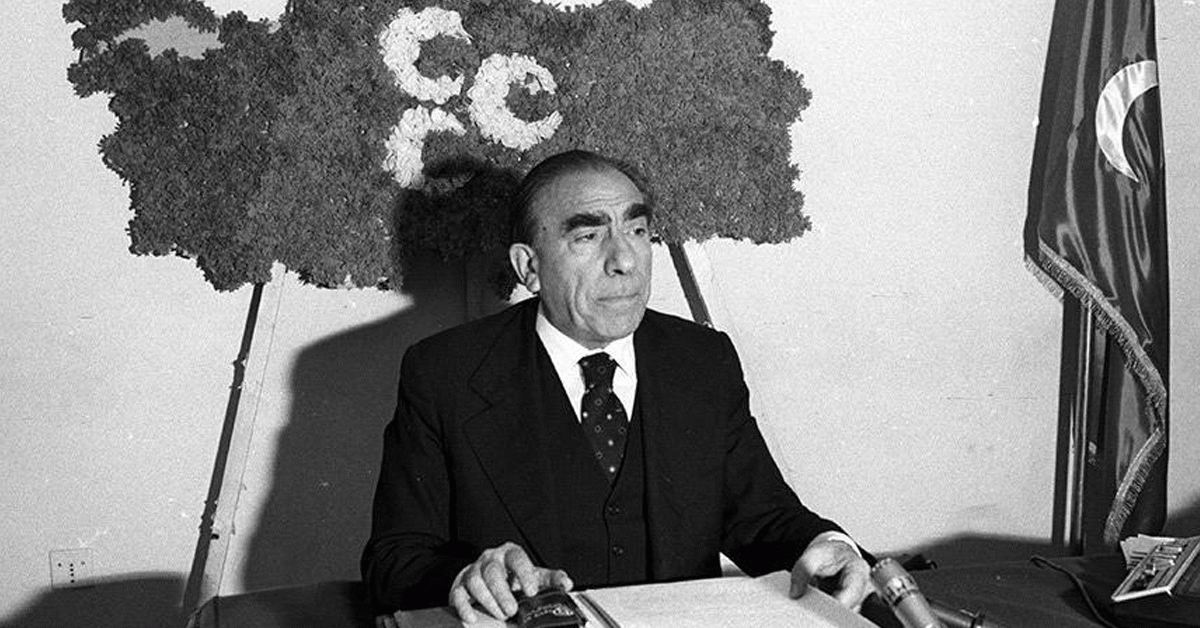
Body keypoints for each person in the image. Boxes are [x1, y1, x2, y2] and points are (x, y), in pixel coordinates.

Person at [361, 150, 871, 621]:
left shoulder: (702, 360)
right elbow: (395, 559)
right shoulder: (444, 373)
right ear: (529, 267)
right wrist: (466, 576)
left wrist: (829, 546)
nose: (624, 260)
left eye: (638, 230)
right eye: (588, 237)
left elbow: (764, 518)